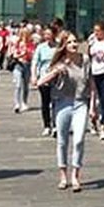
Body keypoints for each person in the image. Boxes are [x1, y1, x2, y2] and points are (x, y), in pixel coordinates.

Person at [39, 31, 93, 191]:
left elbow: (91, 82)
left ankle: (75, 175)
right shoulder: (59, 63)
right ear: (64, 46)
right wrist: (55, 71)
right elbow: (40, 82)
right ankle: (63, 174)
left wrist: (94, 105)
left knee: (78, 140)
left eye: (75, 41)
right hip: (62, 103)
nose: (73, 45)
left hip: (81, 102)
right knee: (62, 141)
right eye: (69, 42)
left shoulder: (85, 60)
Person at [87, 21, 104, 141]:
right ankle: (94, 121)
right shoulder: (92, 42)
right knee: (94, 101)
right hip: (94, 73)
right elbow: (88, 57)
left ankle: (103, 127)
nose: (96, 33)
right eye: (95, 30)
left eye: (98, 30)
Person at [30, 25, 59, 137]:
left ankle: (56, 125)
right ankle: (47, 125)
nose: (47, 36)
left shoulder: (58, 47)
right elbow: (35, 62)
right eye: (45, 34)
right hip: (43, 78)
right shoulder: (41, 47)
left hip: (57, 78)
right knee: (45, 103)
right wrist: (34, 76)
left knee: (56, 103)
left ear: (54, 35)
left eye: (49, 34)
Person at [8, 24, 34, 113]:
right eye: (23, 34)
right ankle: (17, 103)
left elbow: (32, 54)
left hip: (27, 64)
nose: (25, 36)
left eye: (27, 34)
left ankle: (24, 102)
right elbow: (13, 54)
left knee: (26, 85)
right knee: (18, 85)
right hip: (18, 64)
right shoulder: (17, 43)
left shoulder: (31, 44)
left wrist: (28, 53)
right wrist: (20, 54)